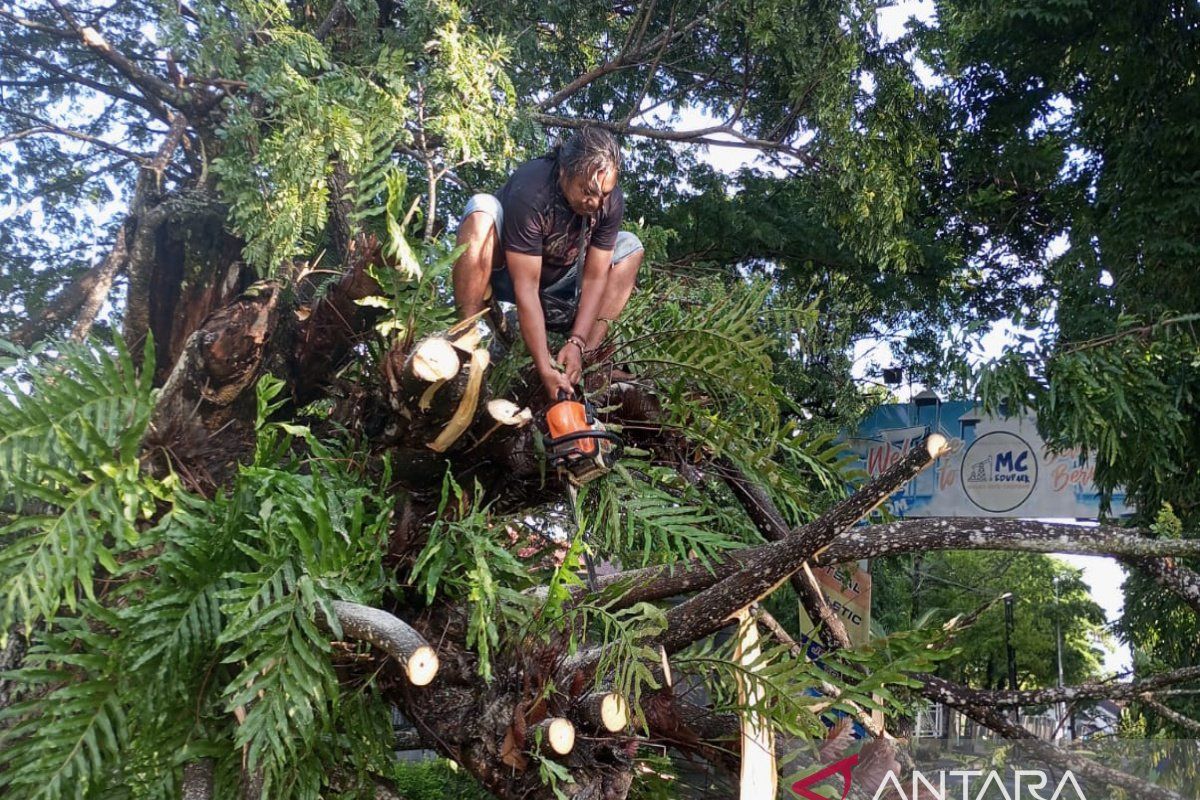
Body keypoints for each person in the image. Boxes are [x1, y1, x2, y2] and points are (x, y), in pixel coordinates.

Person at [451, 127, 644, 400]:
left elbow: (594, 278)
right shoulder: (532, 189)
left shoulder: (608, 202)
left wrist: (577, 341)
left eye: (604, 194)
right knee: (482, 208)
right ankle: (466, 343)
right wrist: (543, 365)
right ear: (565, 171)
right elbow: (526, 286)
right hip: (508, 272)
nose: (596, 202)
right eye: (588, 191)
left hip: (563, 280)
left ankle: (584, 359)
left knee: (630, 247)